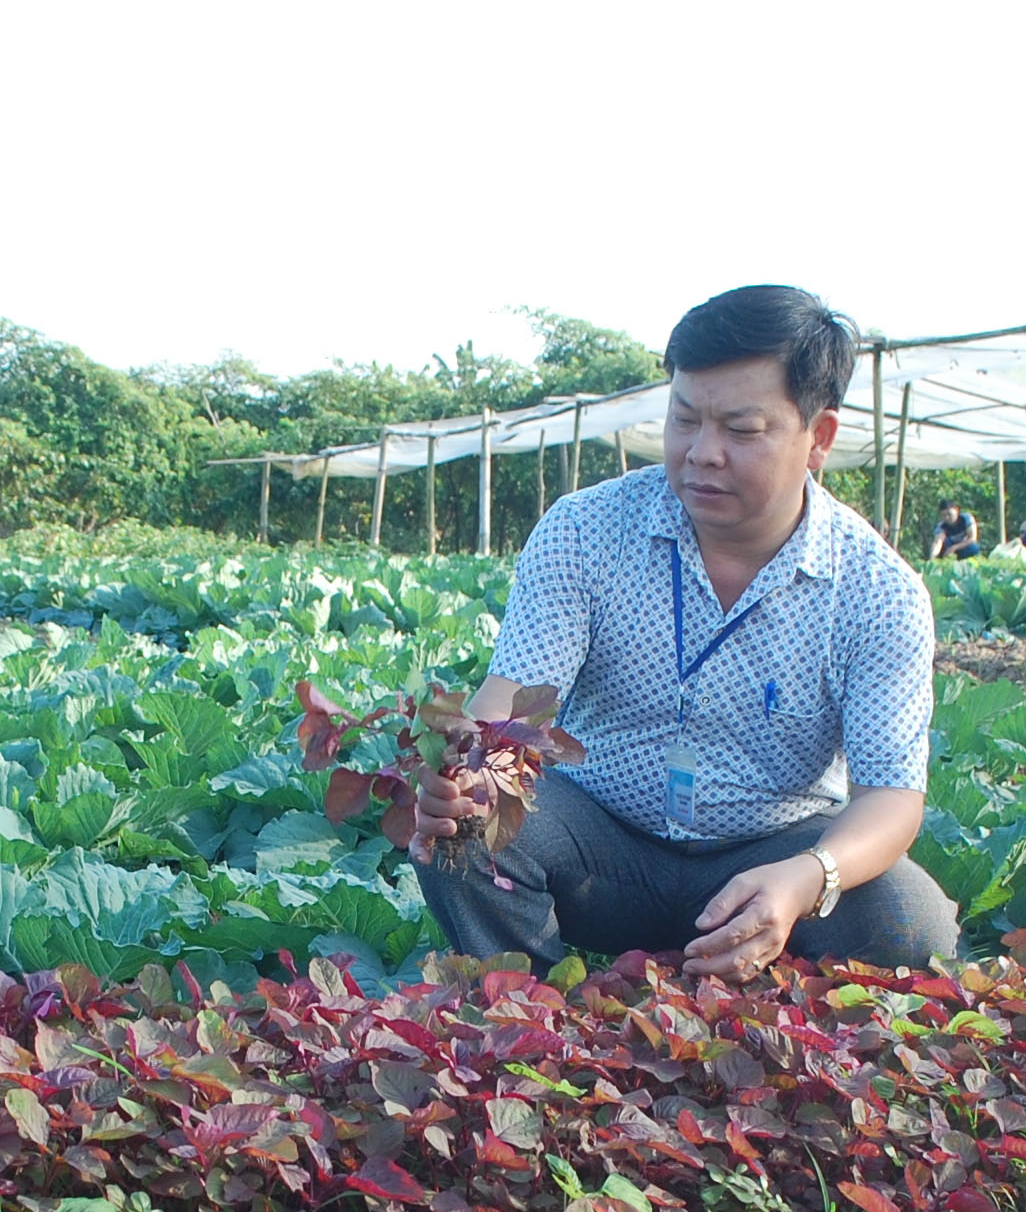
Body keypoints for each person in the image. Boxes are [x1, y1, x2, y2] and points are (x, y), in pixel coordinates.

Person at [408, 284, 957, 979]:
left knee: (913, 920)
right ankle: (531, 1013)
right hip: (598, 842)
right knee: (469, 829)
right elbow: (513, 703)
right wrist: (464, 775)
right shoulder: (586, 530)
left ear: (818, 438)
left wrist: (807, 877)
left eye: (741, 430)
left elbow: (892, 798)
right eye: (684, 418)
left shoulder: (878, 591)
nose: (702, 453)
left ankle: (772, 999)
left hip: (767, 853)